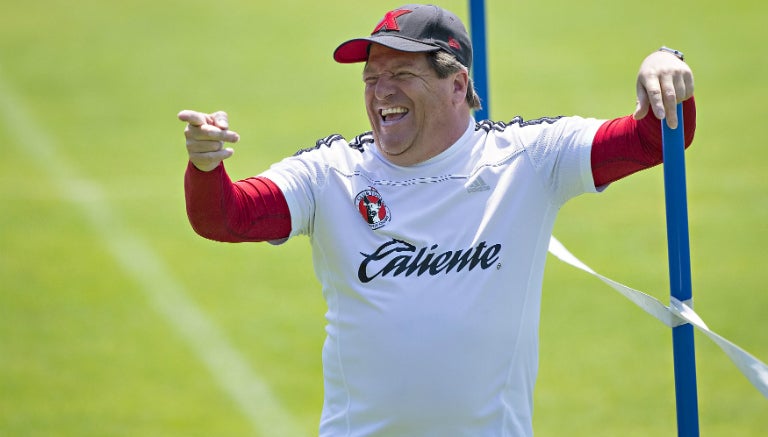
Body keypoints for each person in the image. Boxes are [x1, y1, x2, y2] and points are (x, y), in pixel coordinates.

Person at [178, 4, 695, 436]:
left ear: (456, 85)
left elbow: (656, 139)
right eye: (372, 78)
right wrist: (206, 165)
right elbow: (227, 216)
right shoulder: (330, 174)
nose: (380, 93)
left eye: (402, 75)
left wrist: (665, 66)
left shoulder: (529, 158)